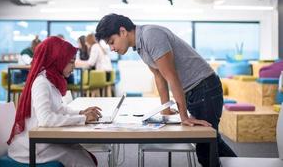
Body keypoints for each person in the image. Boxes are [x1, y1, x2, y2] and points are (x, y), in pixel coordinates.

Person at [95, 13, 237, 167]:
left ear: (122, 31)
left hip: (204, 88)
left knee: (206, 150)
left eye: (112, 42)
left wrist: (184, 116)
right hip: (195, 91)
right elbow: (159, 76)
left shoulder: (151, 35)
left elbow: (171, 76)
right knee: (212, 142)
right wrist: (166, 109)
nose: (112, 48)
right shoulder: (140, 46)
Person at [7, 36, 102, 167]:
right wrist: (82, 118)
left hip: (42, 140)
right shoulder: (41, 83)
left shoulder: (51, 78)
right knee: (83, 160)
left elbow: (59, 108)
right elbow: (45, 119)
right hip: (31, 148)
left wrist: (81, 113)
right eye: (71, 62)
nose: (74, 67)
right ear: (58, 60)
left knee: (81, 153)